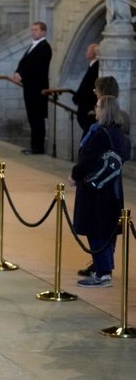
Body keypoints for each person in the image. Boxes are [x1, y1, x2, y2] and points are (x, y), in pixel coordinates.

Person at [72, 95, 131, 288]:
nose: (95, 109)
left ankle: (102, 273)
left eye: (97, 106)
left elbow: (86, 161)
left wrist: (75, 175)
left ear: (104, 111)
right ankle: (104, 269)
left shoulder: (99, 134)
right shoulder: (120, 135)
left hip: (95, 190)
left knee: (97, 232)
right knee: (107, 232)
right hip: (113, 190)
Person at [12, 21, 52, 154]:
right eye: (32, 30)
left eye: (35, 30)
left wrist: (21, 75)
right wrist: (18, 73)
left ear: (43, 32)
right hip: (30, 87)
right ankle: (33, 145)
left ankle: (38, 147)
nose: (32, 32)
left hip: (37, 88)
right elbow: (24, 62)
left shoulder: (45, 47)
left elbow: (36, 67)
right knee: (32, 117)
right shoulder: (34, 46)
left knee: (37, 118)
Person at [71, 43, 99, 134]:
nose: (86, 52)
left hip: (89, 106)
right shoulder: (92, 65)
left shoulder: (96, 67)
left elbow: (90, 87)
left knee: (88, 130)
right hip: (85, 105)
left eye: (87, 50)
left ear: (93, 53)